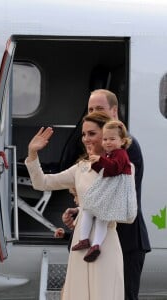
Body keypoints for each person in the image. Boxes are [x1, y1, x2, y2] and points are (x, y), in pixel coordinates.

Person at [62, 89, 151, 300]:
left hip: (124, 241)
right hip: (97, 241)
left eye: (100, 109)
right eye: (90, 109)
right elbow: (95, 191)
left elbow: (114, 193)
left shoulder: (125, 147)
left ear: (114, 112)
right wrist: (80, 210)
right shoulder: (95, 148)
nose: (93, 113)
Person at [26, 112, 124, 299]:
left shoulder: (122, 167)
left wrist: (84, 209)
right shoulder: (81, 168)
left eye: (91, 134)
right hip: (81, 243)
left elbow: (121, 209)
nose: (86, 139)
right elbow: (42, 183)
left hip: (104, 243)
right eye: (84, 134)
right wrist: (32, 154)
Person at [72, 120, 137, 263]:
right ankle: (92, 243)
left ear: (122, 141)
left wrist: (100, 160)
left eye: (112, 139)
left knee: (92, 212)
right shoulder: (110, 154)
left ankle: (89, 242)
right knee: (96, 215)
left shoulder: (120, 154)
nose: (108, 142)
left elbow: (114, 168)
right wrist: (95, 163)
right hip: (109, 188)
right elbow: (104, 170)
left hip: (113, 190)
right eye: (105, 139)